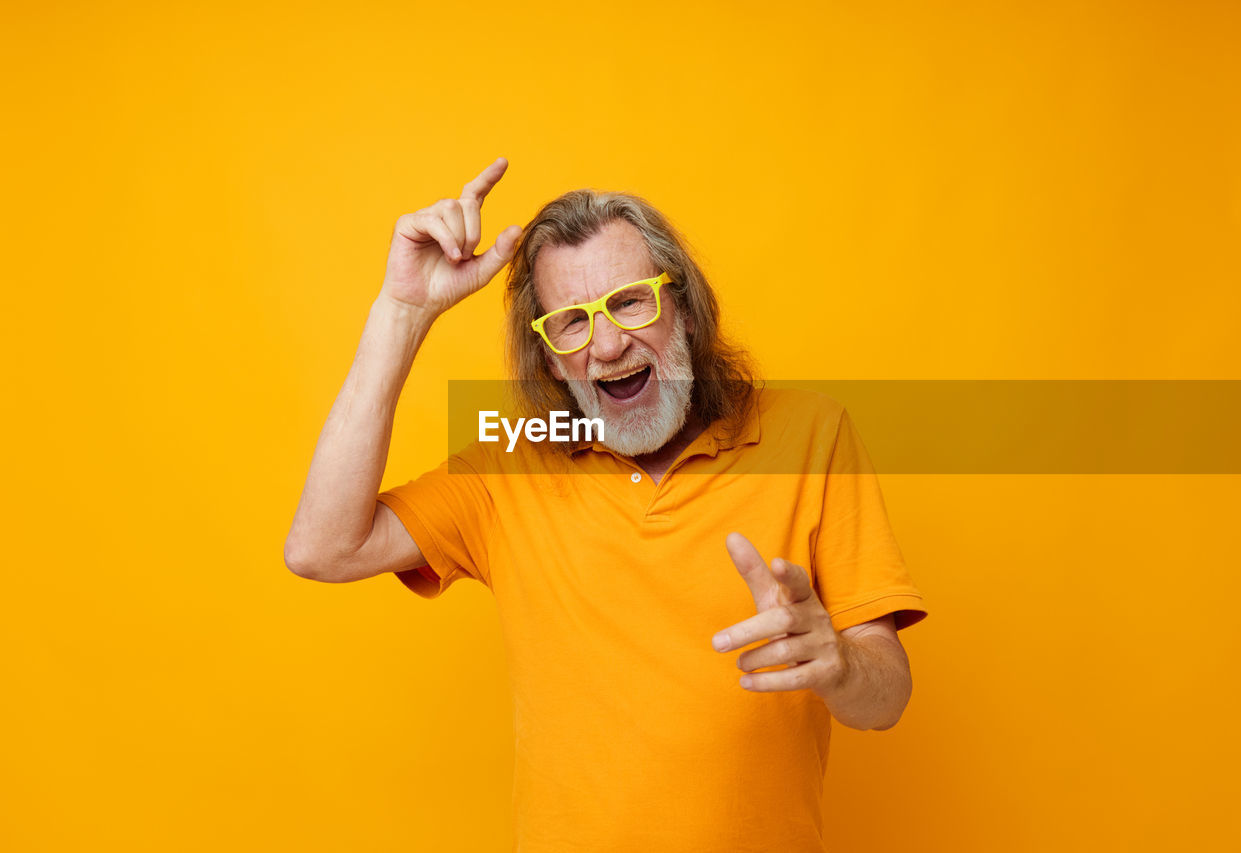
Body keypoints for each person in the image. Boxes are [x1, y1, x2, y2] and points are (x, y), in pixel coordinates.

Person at [284, 158, 927, 852]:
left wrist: (837, 661)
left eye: (630, 302)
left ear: (686, 307)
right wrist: (402, 314)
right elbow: (322, 547)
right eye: (571, 323)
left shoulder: (812, 433)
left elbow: (885, 699)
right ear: (553, 360)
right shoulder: (513, 467)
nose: (609, 344)